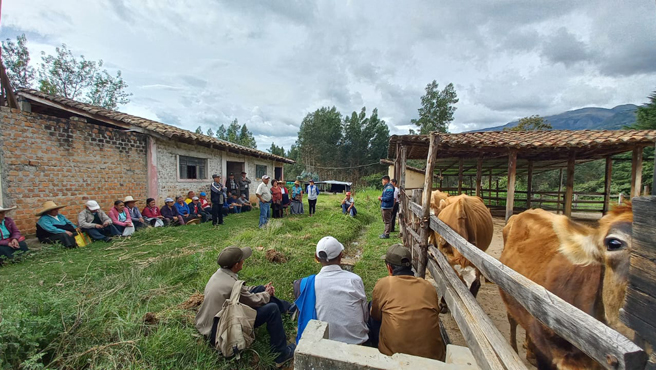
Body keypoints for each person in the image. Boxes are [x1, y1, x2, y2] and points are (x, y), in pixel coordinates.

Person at [195, 246, 296, 367]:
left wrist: (262, 290)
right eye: (242, 259)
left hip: (208, 323)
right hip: (219, 332)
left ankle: (288, 309)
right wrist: (267, 294)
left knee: (259, 289)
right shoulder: (231, 284)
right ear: (236, 265)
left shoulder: (219, 275)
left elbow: (242, 291)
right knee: (272, 309)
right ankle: (281, 354)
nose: (244, 261)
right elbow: (253, 301)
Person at [370, 244, 446, 360]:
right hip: (433, 358)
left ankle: (376, 348)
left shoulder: (384, 284)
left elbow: (375, 315)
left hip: (395, 358)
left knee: (372, 307)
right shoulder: (428, 286)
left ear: (389, 268)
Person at [295, 236, 369, 344]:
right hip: (357, 344)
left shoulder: (306, 284)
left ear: (316, 257)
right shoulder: (354, 280)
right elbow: (365, 315)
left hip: (323, 345)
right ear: (341, 256)